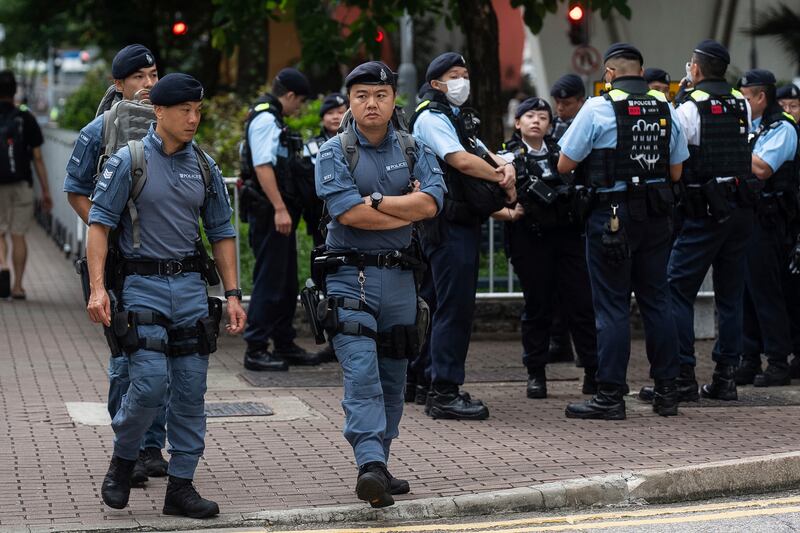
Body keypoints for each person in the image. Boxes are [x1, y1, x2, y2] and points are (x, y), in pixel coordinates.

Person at [86, 73, 246, 518]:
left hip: (192, 291)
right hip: (142, 288)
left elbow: (221, 231)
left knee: (191, 391)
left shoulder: (204, 166)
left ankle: (181, 487)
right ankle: (124, 459)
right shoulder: (129, 161)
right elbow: (98, 226)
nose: (193, 119)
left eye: (198, 110)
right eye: (184, 111)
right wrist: (99, 289)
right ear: (159, 112)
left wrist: (232, 294)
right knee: (150, 383)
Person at [314, 61, 445, 507]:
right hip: (351, 278)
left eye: (381, 96)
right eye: (362, 96)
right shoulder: (334, 151)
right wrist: (402, 206)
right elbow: (349, 214)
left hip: (402, 280)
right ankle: (368, 462)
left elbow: (431, 204)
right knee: (363, 375)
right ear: (349, 101)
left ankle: (380, 467)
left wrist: (378, 200)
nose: (372, 103)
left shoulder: (414, 148)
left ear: (393, 101)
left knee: (393, 377)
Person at [557, 43, 689, 420]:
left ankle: (610, 395)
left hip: (611, 217)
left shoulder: (599, 107)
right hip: (657, 216)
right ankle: (667, 392)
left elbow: (565, 163)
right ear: (641, 72)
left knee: (612, 306)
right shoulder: (665, 106)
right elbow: (677, 171)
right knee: (656, 301)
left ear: (610, 74)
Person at [62, 43, 167, 485]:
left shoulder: (171, 128)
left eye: (153, 75)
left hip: (162, 262)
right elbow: (76, 190)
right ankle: (129, 448)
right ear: (118, 84)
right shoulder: (97, 132)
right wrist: (108, 231)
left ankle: (152, 448)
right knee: (128, 355)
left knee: (164, 353)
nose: (147, 85)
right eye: (138, 77)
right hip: (120, 264)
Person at [410, 52, 516, 420]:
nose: (463, 81)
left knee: (437, 304)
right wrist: (500, 176)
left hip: (455, 223)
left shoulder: (455, 118)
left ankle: (425, 380)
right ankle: (444, 391)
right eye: (455, 75)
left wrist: (508, 167)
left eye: (466, 74)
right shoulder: (432, 117)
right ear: (436, 82)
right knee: (453, 309)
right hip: (448, 224)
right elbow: (460, 160)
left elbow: (484, 153)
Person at [658, 40, 754, 403]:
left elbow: (677, 156)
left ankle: (683, 374)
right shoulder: (739, 101)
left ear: (695, 69)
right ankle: (725, 376)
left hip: (704, 211)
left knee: (675, 288)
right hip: (739, 208)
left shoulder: (689, 108)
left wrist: (679, 100)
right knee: (730, 295)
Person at [494, 97, 598, 399]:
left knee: (580, 305)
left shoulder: (563, 153)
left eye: (542, 116)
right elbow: (496, 194)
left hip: (567, 236)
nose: (536, 121)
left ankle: (593, 370)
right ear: (517, 123)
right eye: (529, 116)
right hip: (531, 238)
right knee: (538, 307)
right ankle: (536, 374)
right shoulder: (506, 157)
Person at [240, 68, 319, 371]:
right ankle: (256, 347)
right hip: (270, 212)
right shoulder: (265, 119)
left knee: (285, 282)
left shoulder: (270, 117)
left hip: (276, 212)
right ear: (289, 96)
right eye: (299, 102)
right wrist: (280, 208)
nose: (299, 108)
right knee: (270, 281)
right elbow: (262, 166)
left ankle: (284, 342)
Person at [736, 69, 799, 387]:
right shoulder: (753, 127)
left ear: (762, 97)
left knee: (767, 292)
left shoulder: (782, 128)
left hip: (771, 220)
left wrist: (731, 146)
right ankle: (749, 358)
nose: (742, 105)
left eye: (746, 99)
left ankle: (777, 361)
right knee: (745, 292)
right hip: (748, 218)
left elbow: (762, 169)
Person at [0, 69, 52, 299]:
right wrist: (46, 191)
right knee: (18, 234)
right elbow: (38, 158)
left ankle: (2, 266)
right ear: (15, 92)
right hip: (22, 183)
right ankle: (18, 286)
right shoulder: (26, 117)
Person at [547, 73, 587, 362]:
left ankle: (581, 348)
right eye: (558, 103)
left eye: (567, 103)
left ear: (580, 101)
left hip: (581, 212)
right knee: (556, 288)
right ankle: (559, 341)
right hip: (556, 214)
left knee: (579, 290)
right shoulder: (552, 125)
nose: (561, 109)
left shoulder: (588, 122)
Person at [302, 93, 348, 248]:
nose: (335, 117)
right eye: (330, 113)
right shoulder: (311, 146)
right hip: (320, 212)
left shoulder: (357, 142)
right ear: (322, 118)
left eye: (340, 112)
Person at [550, 73, 586, 142]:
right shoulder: (549, 127)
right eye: (557, 102)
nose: (560, 108)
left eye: (566, 103)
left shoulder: (590, 125)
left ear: (581, 102)